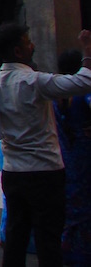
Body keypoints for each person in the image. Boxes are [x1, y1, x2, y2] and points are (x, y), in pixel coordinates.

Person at [0, 23, 91, 266]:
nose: (33, 45)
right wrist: (88, 52)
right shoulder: (34, 81)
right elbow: (84, 82)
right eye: (28, 41)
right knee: (48, 238)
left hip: (13, 171)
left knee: (16, 235)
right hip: (44, 172)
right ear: (18, 51)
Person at [55, 49, 91, 266]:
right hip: (84, 155)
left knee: (71, 203)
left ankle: (67, 249)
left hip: (65, 155)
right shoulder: (83, 94)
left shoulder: (55, 96)